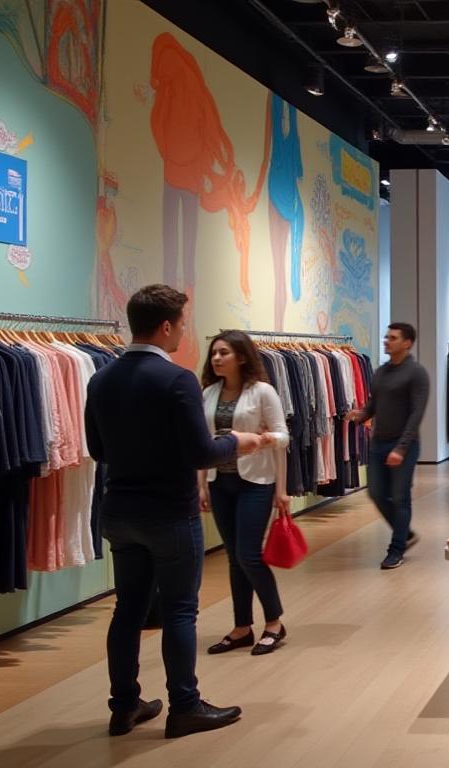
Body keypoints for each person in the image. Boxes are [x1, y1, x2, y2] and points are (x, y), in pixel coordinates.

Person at [86, 284, 265, 739]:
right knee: (181, 611)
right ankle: (185, 706)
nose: (184, 332)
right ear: (166, 326)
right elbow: (201, 452)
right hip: (168, 513)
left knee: (128, 609)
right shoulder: (177, 379)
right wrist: (237, 441)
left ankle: (124, 706)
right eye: (183, 324)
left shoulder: (101, 379)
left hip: (119, 511)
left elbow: (97, 449)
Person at [197, 330, 291, 657]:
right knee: (234, 557)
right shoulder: (208, 393)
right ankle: (241, 627)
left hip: (256, 482)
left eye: (223, 352)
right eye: (214, 353)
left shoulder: (262, 392)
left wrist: (264, 442)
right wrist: (201, 484)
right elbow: (203, 443)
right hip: (219, 482)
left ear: (240, 356)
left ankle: (274, 623)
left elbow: (283, 437)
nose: (216, 358)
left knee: (249, 554)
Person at [346, 323, 429, 571]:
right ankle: (404, 533)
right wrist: (361, 414)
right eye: (386, 336)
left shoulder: (416, 373)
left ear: (407, 343)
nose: (386, 341)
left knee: (400, 497)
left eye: (392, 338)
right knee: (376, 493)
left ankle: (396, 549)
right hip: (378, 443)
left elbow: (416, 413)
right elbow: (375, 404)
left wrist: (401, 448)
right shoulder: (381, 372)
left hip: (404, 445)